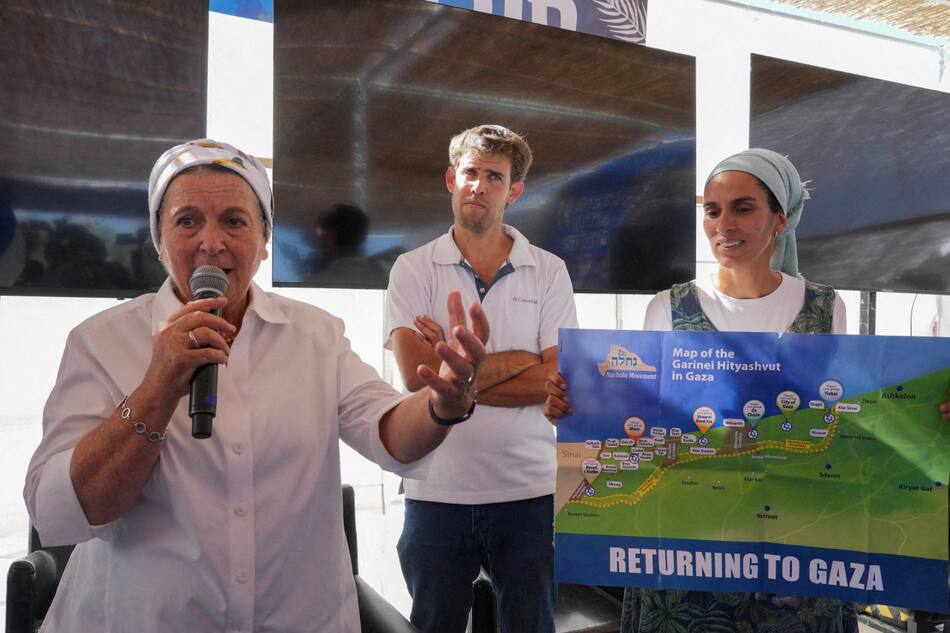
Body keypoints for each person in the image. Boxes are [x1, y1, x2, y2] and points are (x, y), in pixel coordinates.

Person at [24, 139, 488, 633]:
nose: (211, 241)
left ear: (265, 242)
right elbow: (66, 509)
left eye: (234, 220)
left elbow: (388, 431)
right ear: (158, 241)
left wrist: (441, 406)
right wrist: (157, 389)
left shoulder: (316, 334)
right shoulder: (101, 342)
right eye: (186, 221)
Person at [545, 148, 860, 632]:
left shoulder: (825, 308)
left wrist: (922, 414)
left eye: (743, 207)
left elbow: (844, 416)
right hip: (689, 553)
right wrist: (575, 408)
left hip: (791, 552)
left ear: (781, 220)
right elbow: (636, 418)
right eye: (712, 210)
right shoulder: (667, 308)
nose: (723, 224)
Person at [385, 124, 578, 633]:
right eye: (470, 172)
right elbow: (415, 375)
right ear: (452, 179)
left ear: (513, 191)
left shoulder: (550, 270)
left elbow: (558, 376)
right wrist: (520, 361)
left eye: (494, 176)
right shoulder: (412, 268)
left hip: (529, 492)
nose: (479, 185)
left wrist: (460, 371)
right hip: (436, 492)